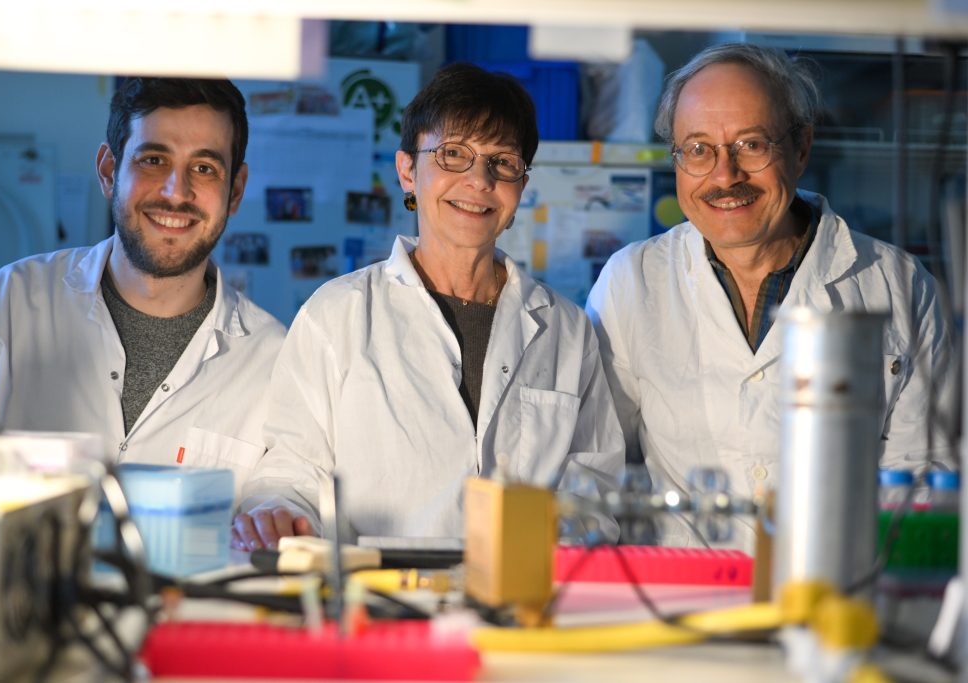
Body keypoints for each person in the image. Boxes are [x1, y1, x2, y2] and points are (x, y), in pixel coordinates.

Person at [234, 63, 625, 550]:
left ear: (520, 186)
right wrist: (280, 514)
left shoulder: (565, 329)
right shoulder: (336, 315)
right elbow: (293, 470)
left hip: (522, 608)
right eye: (453, 154)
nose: (479, 180)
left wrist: (554, 542)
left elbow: (594, 486)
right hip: (380, 604)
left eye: (502, 162)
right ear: (407, 172)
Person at [586, 44, 953, 550]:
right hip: (682, 602)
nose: (724, 175)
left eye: (751, 145)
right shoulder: (631, 281)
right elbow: (598, 466)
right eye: (697, 149)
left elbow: (923, 478)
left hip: (837, 597)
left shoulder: (900, 285)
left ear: (801, 147)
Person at [0, 78, 299, 532]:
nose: (177, 191)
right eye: (154, 160)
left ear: (235, 190)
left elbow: (279, 513)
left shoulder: (274, 358)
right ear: (109, 171)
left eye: (205, 168)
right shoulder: (8, 305)